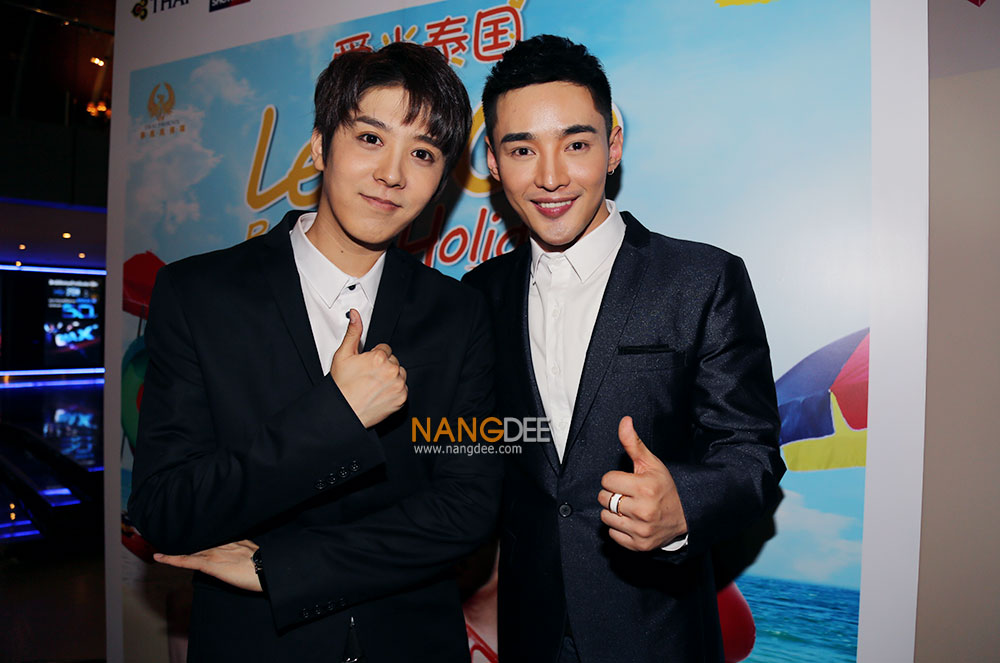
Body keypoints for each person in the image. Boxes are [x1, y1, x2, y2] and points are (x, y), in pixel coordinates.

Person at [128, 42, 500, 662]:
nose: (393, 174)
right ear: (321, 147)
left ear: (443, 179)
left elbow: (469, 507)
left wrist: (285, 568)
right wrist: (335, 417)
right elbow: (165, 509)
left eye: (423, 153)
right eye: (371, 138)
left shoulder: (459, 314)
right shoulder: (200, 295)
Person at [462, 35, 785, 662]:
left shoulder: (701, 280)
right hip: (527, 635)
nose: (550, 176)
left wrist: (683, 506)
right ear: (494, 164)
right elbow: (478, 449)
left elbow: (751, 454)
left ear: (612, 149)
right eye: (522, 149)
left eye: (576, 144)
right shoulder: (476, 296)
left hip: (657, 633)